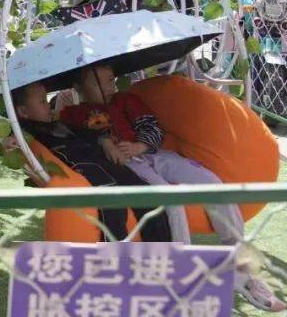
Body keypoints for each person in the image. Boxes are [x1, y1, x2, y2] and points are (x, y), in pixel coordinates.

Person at [61, 64, 285, 311]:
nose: (108, 86)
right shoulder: (71, 113)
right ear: (78, 88)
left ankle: (241, 267)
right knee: (170, 200)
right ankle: (182, 273)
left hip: (154, 154)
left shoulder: (126, 100)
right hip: (127, 166)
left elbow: (151, 126)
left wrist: (140, 146)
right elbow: (76, 141)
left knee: (211, 183)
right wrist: (103, 141)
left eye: (111, 79)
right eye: (98, 82)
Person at [11, 82, 173, 243]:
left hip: (102, 162)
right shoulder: (27, 132)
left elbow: (86, 133)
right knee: (112, 201)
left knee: (148, 197)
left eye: (46, 100)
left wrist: (105, 140)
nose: (48, 106)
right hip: (87, 169)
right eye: (42, 102)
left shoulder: (56, 125)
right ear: (23, 112)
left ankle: (160, 252)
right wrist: (10, 139)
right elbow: (12, 137)